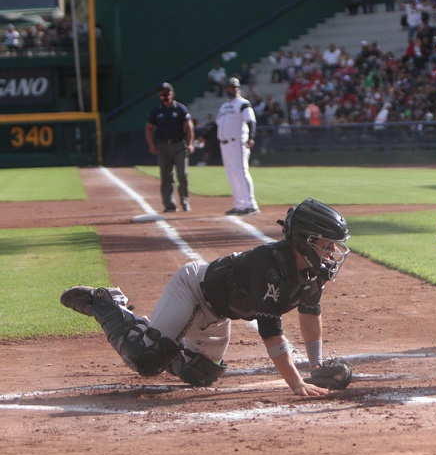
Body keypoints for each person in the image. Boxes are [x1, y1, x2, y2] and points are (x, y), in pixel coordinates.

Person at [60, 199, 351, 396]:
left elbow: (310, 314)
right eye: (328, 244)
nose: (332, 252)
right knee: (146, 360)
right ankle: (106, 303)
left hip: (219, 313)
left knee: (200, 373)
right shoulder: (271, 268)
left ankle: (164, 340)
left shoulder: (312, 272)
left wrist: (316, 366)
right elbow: (271, 335)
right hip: (194, 290)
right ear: (306, 240)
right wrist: (297, 383)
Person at [145, 82, 195, 213]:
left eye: (168, 93)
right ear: (159, 95)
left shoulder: (180, 109)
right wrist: (151, 145)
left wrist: (190, 144)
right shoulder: (156, 110)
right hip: (163, 146)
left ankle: (185, 202)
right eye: (163, 94)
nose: (165, 96)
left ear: (172, 94)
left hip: (179, 145)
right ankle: (169, 205)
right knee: (166, 176)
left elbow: (189, 127)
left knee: (182, 174)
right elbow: (148, 128)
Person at [216, 77, 259, 215]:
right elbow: (217, 125)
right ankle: (239, 204)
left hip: (237, 142)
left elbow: (251, 121)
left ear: (238, 89)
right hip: (224, 144)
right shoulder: (224, 106)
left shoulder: (243, 103)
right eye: (228, 87)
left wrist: (251, 137)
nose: (231, 89)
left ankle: (251, 204)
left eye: (233, 87)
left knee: (241, 172)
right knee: (232, 175)